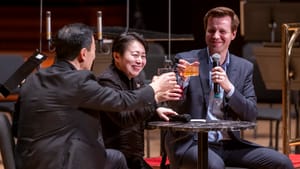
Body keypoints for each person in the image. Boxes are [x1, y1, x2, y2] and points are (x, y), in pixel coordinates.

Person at [13, 23, 180, 169]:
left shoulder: (33, 78)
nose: (93, 56)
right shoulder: (79, 80)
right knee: (118, 159)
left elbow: (16, 128)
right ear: (83, 54)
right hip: (63, 162)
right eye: (94, 51)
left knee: (115, 157)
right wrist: (154, 88)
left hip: (27, 162)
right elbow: (121, 102)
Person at [165, 7, 294, 169]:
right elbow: (173, 107)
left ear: (233, 34)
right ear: (205, 32)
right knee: (214, 165)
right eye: (211, 30)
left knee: (283, 163)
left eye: (222, 31)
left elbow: (251, 114)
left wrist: (230, 88)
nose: (216, 36)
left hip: (230, 144)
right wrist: (182, 83)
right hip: (193, 143)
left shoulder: (243, 67)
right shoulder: (188, 60)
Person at [97, 32, 180, 169]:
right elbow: (124, 119)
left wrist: (156, 111)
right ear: (117, 56)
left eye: (143, 56)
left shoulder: (136, 79)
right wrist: (155, 97)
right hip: (115, 159)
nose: (140, 61)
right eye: (135, 55)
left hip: (134, 157)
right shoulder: (107, 82)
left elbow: (137, 113)